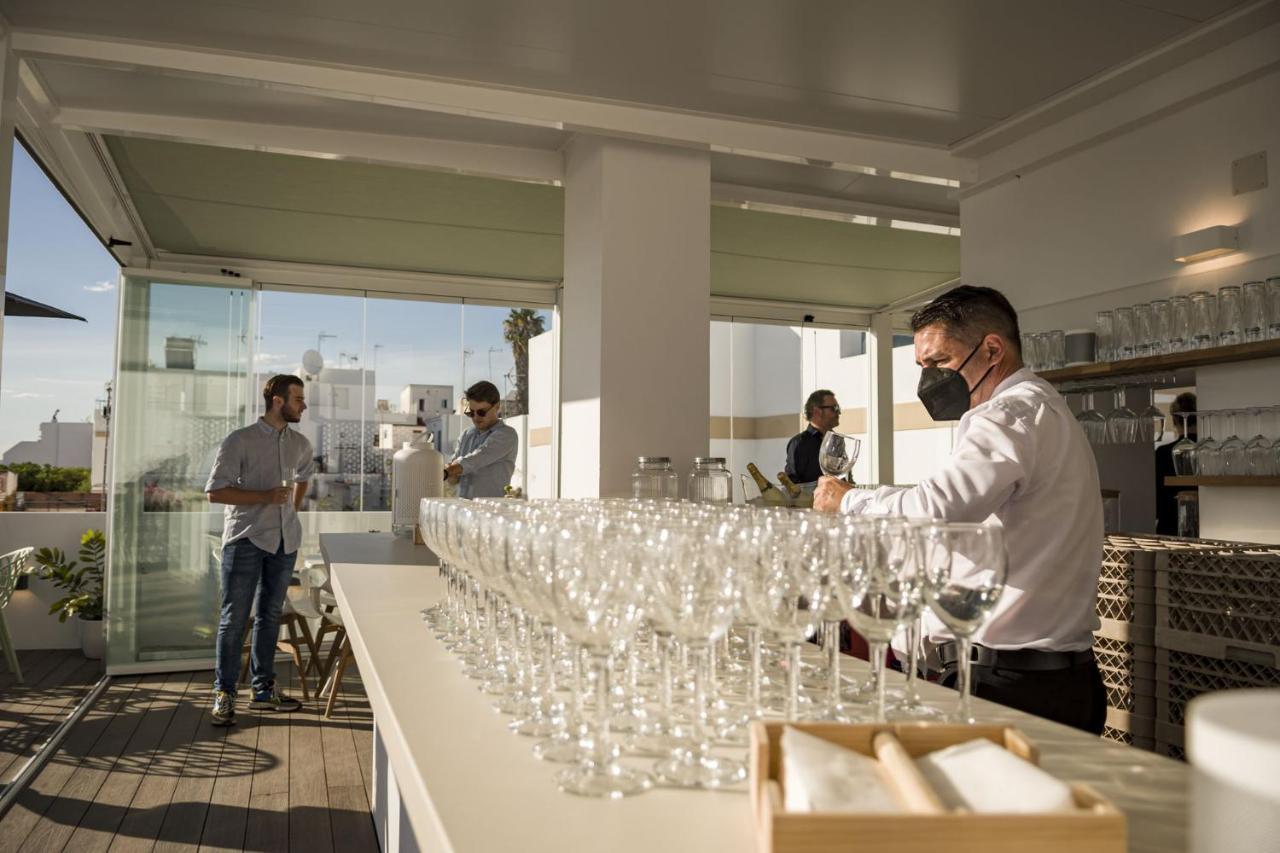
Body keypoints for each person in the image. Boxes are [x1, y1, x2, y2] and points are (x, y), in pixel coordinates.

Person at [814, 285, 1107, 735]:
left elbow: (936, 512)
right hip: (1047, 678)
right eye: (922, 366)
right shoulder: (1040, 408)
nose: (928, 379)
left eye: (939, 362)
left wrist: (848, 500)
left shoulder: (1009, 415)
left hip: (1014, 686)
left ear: (992, 349)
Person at [205, 374, 315, 726]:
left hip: (285, 542)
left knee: (270, 617)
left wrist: (290, 511)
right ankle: (224, 693)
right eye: (298, 399)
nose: (304, 405)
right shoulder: (240, 441)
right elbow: (215, 492)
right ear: (278, 401)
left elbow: (304, 478)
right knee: (234, 620)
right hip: (246, 540)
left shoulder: (300, 443)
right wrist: (265, 498)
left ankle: (263, 690)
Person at [445, 380, 518, 499]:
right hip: (463, 510)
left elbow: (478, 458)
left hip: (490, 512)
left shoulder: (507, 434)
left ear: (497, 406)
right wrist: (449, 473)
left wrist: (450, 470)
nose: (476, 417)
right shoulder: (466, 435)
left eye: (481, 412)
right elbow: (453, 480)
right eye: (471, 412)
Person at [1155, 392, 1197, 535]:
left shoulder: (1162, 453)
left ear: (1174, 420)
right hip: (1207, 526)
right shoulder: (1209, 450)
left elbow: (1156, 500)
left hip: (1169, 527)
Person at [785, 389, 841, 485]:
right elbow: (792, 484)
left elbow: (844, 477)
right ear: (817, 411)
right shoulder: (799, 443)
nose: (839, 413)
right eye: (834, 408)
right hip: (812, 500)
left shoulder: (837, 440)